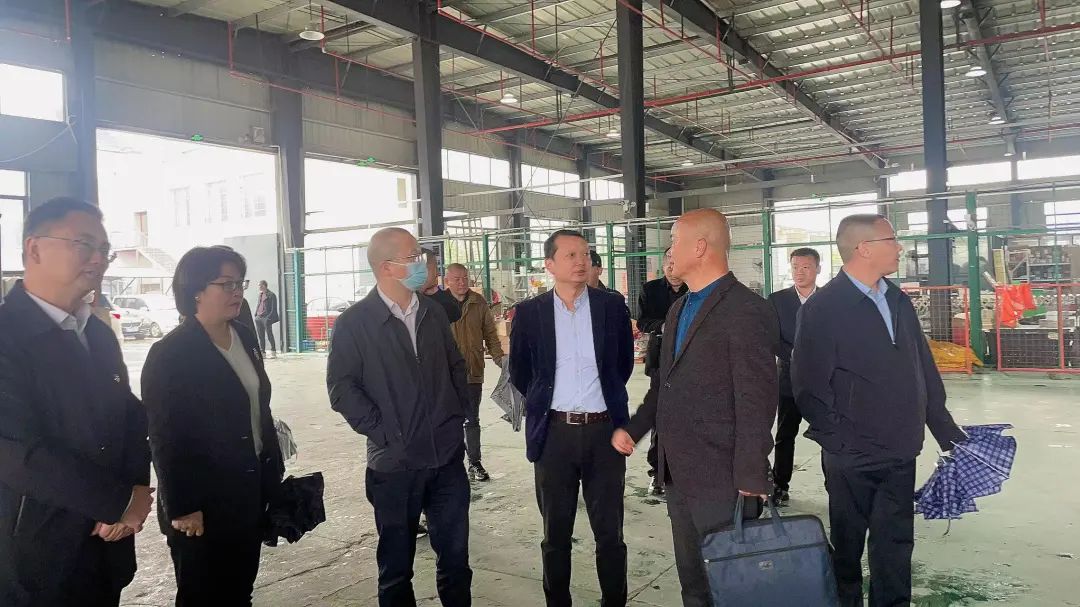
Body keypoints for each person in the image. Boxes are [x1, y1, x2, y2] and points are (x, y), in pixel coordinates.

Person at [792, 214, 966, 607]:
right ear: (864, 249)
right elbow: (808, 386)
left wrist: (945, 430)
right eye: (892, 239)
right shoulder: (823, 308)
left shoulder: (897, 299)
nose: (900, 247)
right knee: (848, 545)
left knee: (895, 545)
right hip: (851, 454)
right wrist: (839, 440)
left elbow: (922, 369)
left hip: (901, 447)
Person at [612, 209, 778, 607]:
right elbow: (664, 384)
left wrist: (752, 472)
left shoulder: (746, 309)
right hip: (678, 473)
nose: (669, 250)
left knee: (733, 587)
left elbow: (756, 399)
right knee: (694, 584)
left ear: (700, 247)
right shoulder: (679, 308)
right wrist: (635, 429)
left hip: (724, 477)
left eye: (674, 241)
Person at [0, 197, 153, 606]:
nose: (98, 259)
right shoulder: (7, 336)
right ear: (34, 249)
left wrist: (131, 496)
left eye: (104, 249)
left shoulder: (97, 334)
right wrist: (116, 501)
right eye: (84, 244)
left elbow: (128, 420)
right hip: (34, 554)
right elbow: (15, 451)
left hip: (105, 548)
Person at [327, 227, 472, 606]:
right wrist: (386, 432)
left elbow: (455, 365)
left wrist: (455, 414)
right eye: (413, 257)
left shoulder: (432, 312)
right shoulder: (354, 323)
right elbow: (342, 389)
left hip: (446, 460)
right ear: (387, 267)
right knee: (396, 570)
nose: (422, 264)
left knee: (456, 563)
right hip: (394, 466)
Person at [141, 246, 285, 606]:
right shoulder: (171, 353)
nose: (237, 292)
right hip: (201, 503)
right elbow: (164, 437)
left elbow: (258, 407)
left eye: (240, 283)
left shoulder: (244, 337)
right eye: (226, 284)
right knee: (203, 595)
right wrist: (182, 506)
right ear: (196, 291)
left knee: (240, 591)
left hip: (248, 491)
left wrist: (272, 473)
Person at [509, 229, 634, 607]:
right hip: (554, 435)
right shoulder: (530, 313)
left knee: (610, 534)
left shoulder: (611, 307)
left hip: (604, 433)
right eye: (571, 255)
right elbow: (521, 373)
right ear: (549, 264)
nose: (582, 262)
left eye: (585, 254)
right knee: (556, 535)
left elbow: (622, 366)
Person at [767, 247, 821, 506]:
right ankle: (780, 485)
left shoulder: (830, 300)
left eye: (806, 267)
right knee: (785, 434)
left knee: (829, 433)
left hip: (823, 381)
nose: (800, 272)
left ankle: (835, 484)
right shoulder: (777, 300)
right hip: (788, 378)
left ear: (818, 269)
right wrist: (796, 356)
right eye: (795, 267)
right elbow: (771, 338)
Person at [444, 263, 506, 482]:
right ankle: (450, 464)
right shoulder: (438, 304)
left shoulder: (478, 302)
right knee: (448, 421)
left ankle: (475, 463)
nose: (462, 283)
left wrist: (501, 360)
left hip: (472, 371)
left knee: (472, 419)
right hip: (445, 375)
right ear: (447, 281)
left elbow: (490, 334)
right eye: (456, 279)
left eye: (465, 278)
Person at [635, 248, 687, 496]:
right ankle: (658, 472)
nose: (672, 270)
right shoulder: (651, 290)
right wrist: (664, 326)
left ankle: (685, 470)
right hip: (660, 362)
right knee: (660, 416)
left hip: (690, 361)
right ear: (663, 265)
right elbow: (642, 321)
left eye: (677, 264)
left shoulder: (695, 289)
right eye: (669, 265)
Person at [421, 248, 463, 323]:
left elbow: (455, 314)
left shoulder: (445, 300)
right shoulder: (412, 300)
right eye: (434, 268)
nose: (437, 273)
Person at [254, 280, 280, 358]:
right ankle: (263, 353)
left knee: (269, 335)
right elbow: (259, 304)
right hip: (259, 318)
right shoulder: (260, 295)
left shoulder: (271, 295)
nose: (259, 287)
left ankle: (273, 352)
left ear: (264, 285)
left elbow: (273, 308)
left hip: (266, 318)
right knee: (261, 336)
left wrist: (268, 318)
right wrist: (256, 314)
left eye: (260, 285)